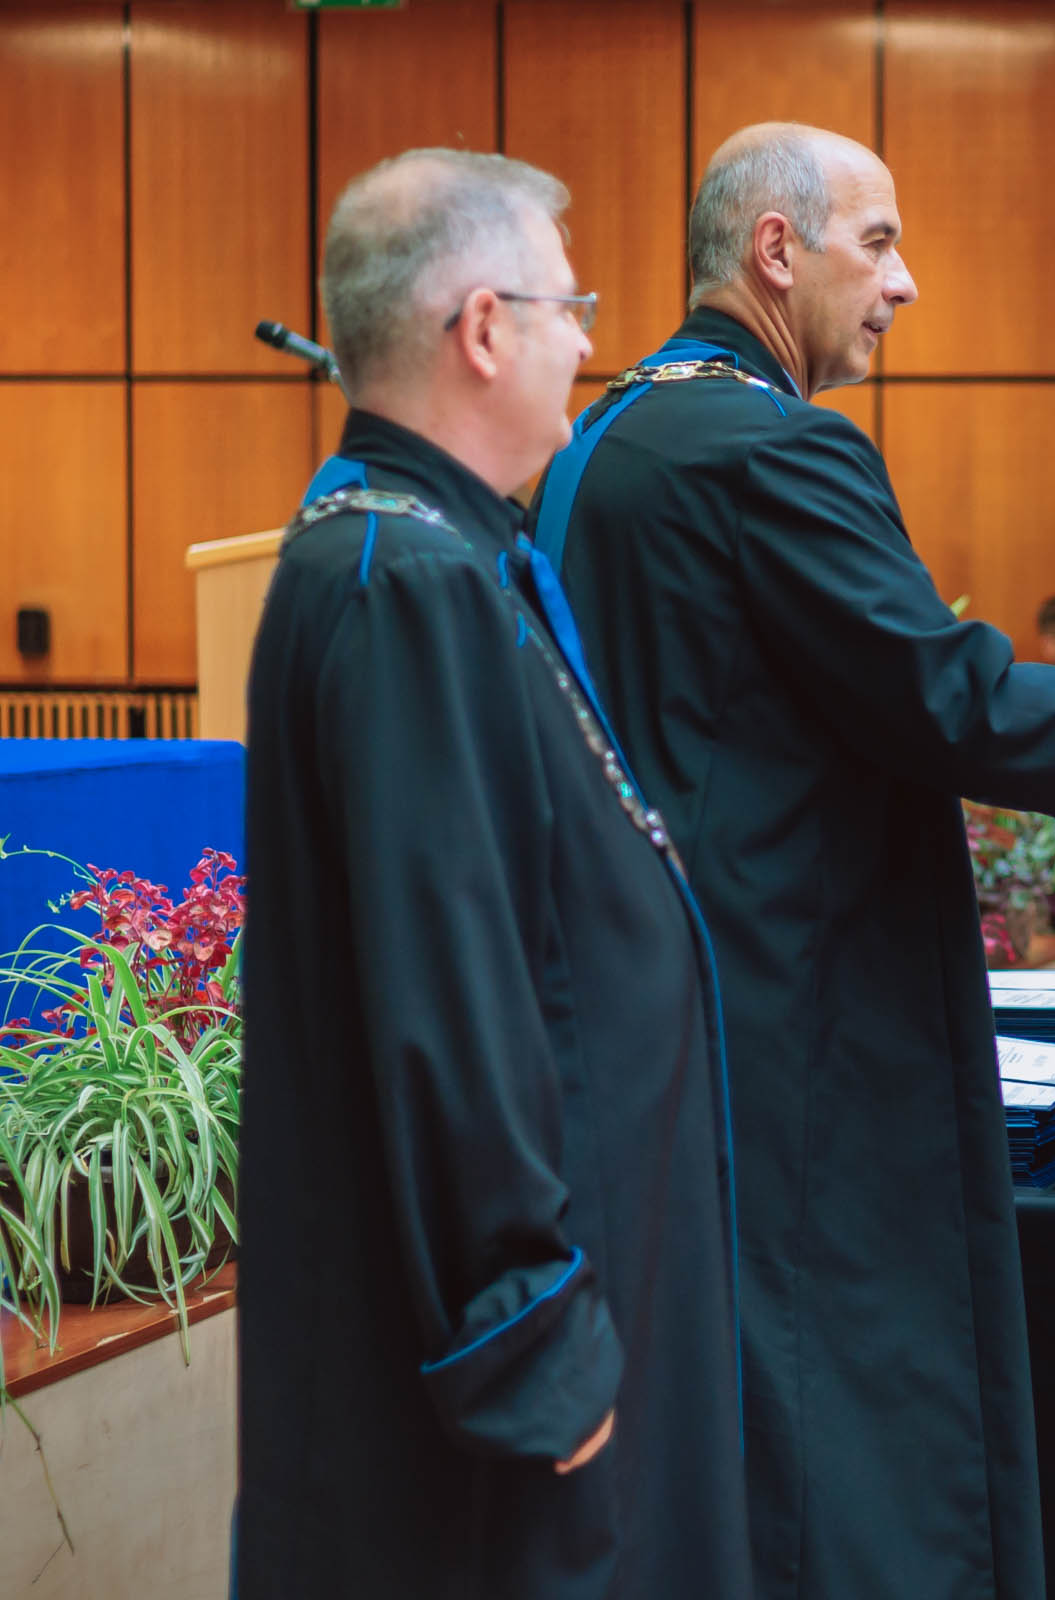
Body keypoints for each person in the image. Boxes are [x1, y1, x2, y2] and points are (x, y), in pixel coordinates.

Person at [526, 122, 1055, 1598]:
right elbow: (952, 698)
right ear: (777, 251)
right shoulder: (778, 448)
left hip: (649, 1027)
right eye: (880, 241)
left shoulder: (597, 445)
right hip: (797, 1033)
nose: (905, 284)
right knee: (839, 1437)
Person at [238, 150, 751, 1597]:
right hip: (509, 1401)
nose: (589, 342)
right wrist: (528, 1332)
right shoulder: (405, 579)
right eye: (568, 307)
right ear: (481, 327)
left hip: (573, 1311)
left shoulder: (440, 548)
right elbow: (447, 989)